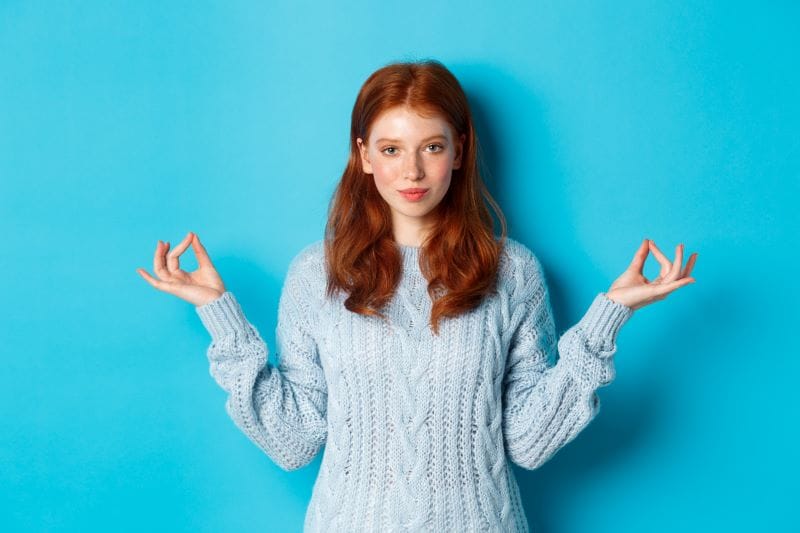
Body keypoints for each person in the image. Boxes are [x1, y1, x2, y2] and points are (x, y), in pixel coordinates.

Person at [136, 59, 697, 532]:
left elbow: (530, 441)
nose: (411, 170)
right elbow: (294, 440)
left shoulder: (513, 272)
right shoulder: (316, 274)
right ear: (363, 155)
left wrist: (610, 317)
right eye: (391, 148)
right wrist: (219, 315)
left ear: (460, 150)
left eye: (431, 145)